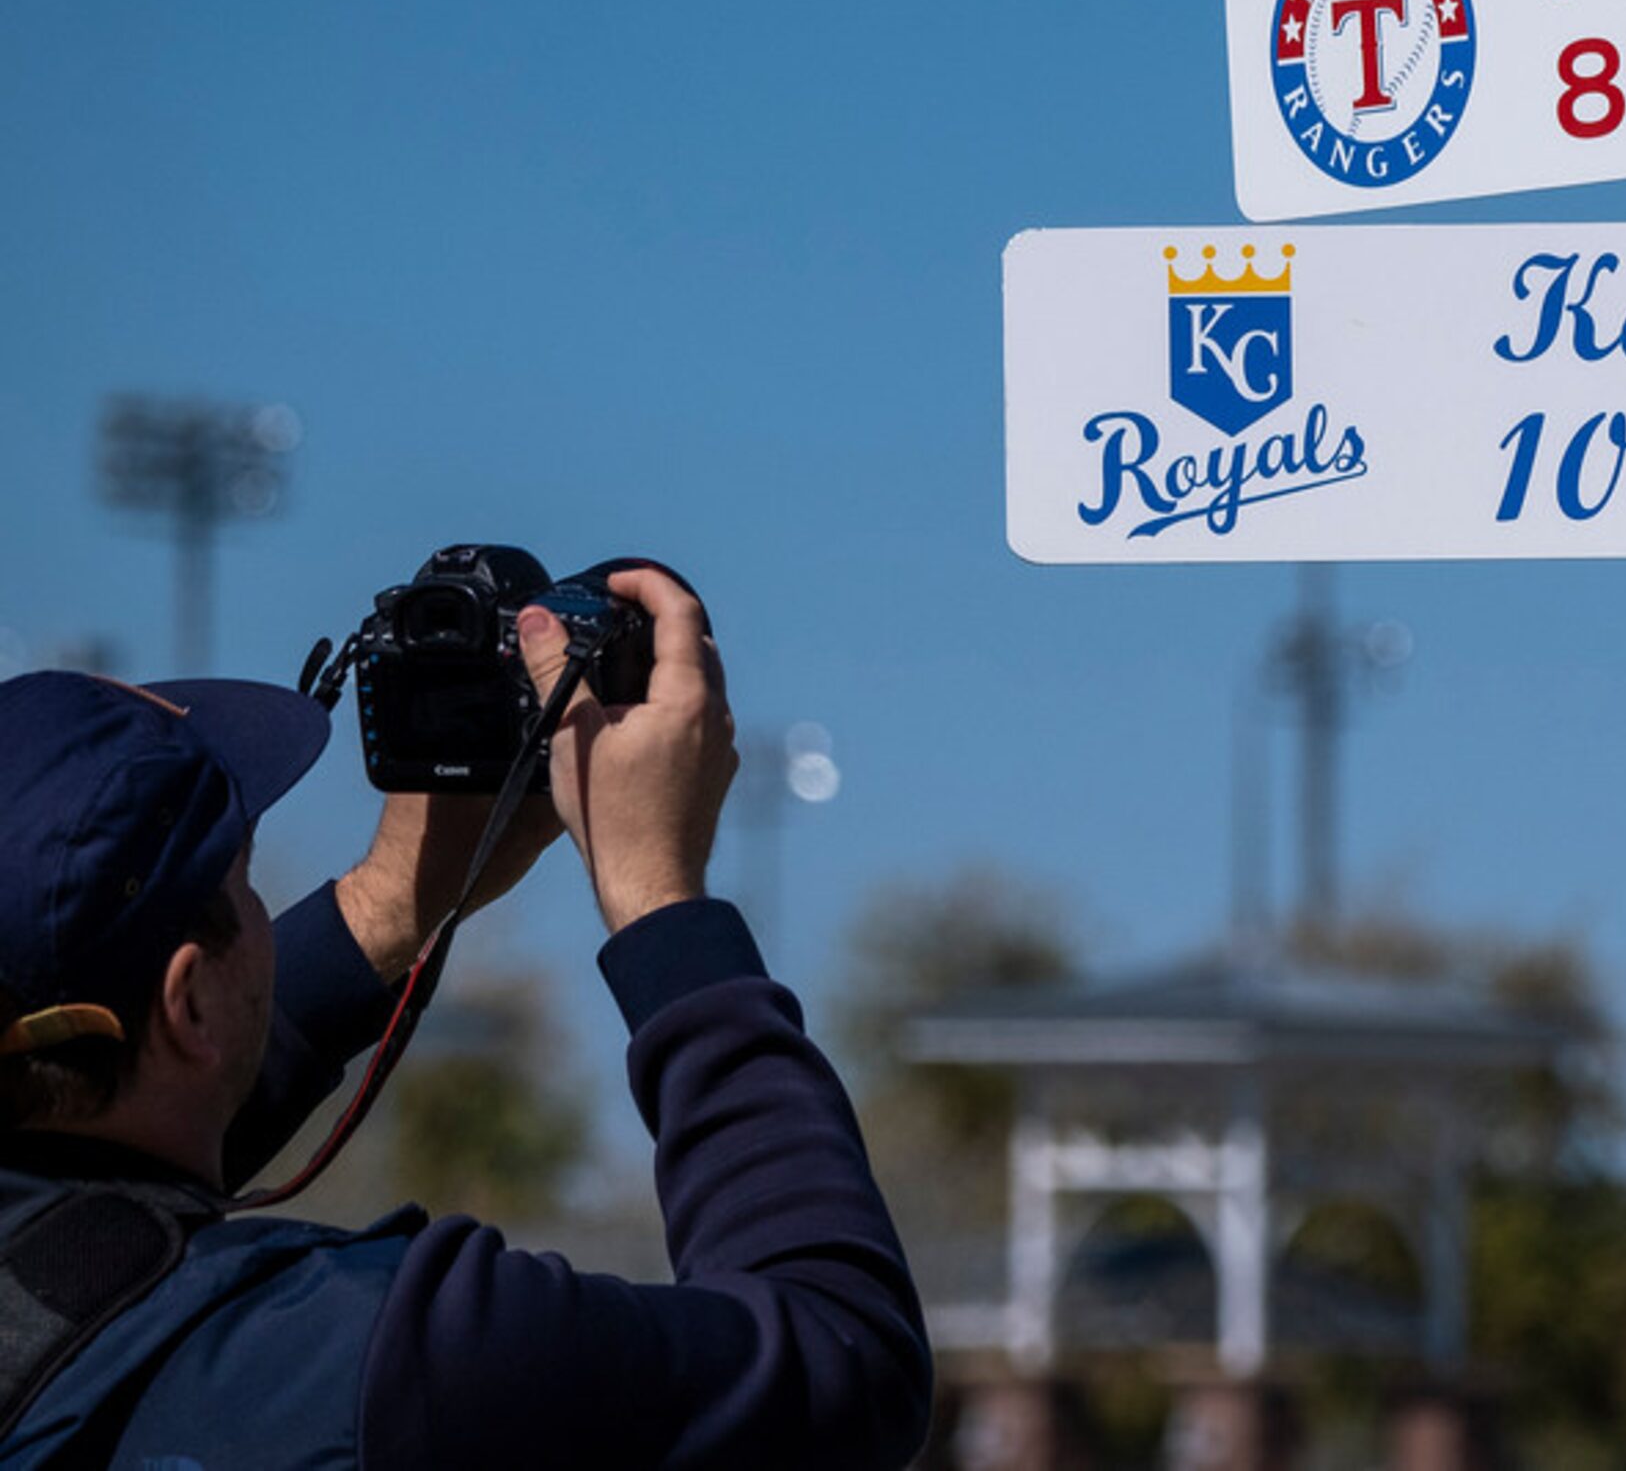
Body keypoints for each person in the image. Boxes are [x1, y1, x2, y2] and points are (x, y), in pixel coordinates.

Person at [0, 568, 933, 1468]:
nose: (265, 920)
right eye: (244, 885)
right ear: (189, 1001)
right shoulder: (375, 1364)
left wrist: (381, 910)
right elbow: (844, 1360)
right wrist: (661, 906)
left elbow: (97, 1200)